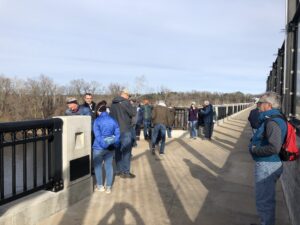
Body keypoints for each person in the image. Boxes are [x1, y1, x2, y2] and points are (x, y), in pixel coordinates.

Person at [249, 92, 287, 225]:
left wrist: (254, 150)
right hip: (269, 164)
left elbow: (274, 147)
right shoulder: (273, 118)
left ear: (268, 105)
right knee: (265, 200)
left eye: (260, 103)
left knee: (264, 202)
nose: (258, 105)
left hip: (267, 165)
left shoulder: (272, 122)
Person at [93, 101, 120, 194]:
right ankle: (108, 187)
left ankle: (100, 186)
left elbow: (97, 135)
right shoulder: (113, 120)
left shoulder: (97, 121)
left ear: (99, 112)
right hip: (111, 147)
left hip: (98, 147)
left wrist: (103, 144)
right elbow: (117, 134)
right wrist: (114, 144)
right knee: (109, 166)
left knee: (98, 167)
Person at [110, 89, 137, 178]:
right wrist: (133, 105)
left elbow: (111, 116)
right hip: (125, 130)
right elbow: (133, 113)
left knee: (117, 151)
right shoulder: (126, 102)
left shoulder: (113, 103)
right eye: (128, 96)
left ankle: (118, 170)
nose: (129, 97)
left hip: (116, 131)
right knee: (126, 152)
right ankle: (126, 172)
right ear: (125, 95)